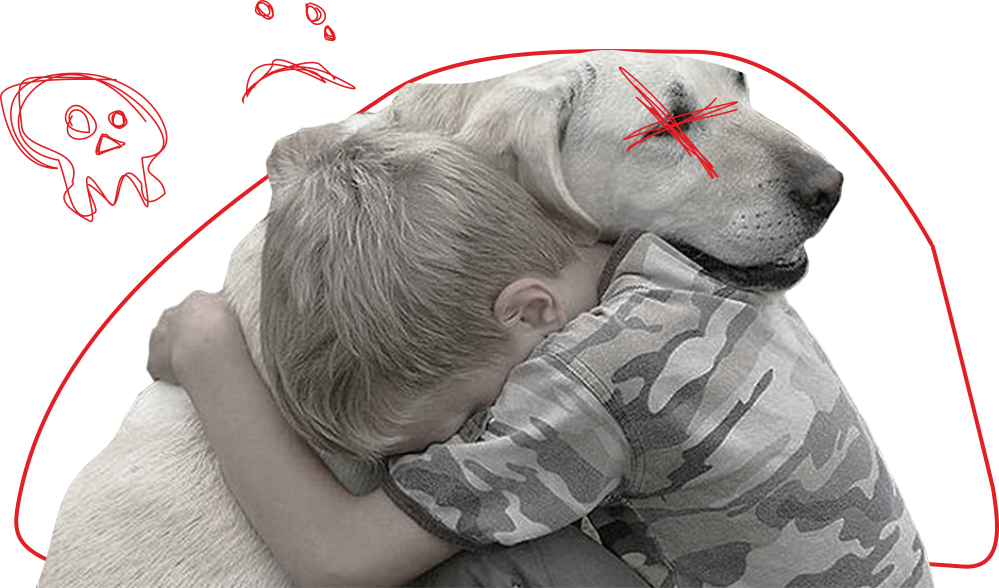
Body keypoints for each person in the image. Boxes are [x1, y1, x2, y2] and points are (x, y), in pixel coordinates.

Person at [147, 129, 933, 588]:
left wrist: (209, 348)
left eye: (467, 419)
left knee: (476, 569)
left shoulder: (584, 380)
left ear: (529, 311)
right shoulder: (661, 256)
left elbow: (336, 562)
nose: (455, 448)